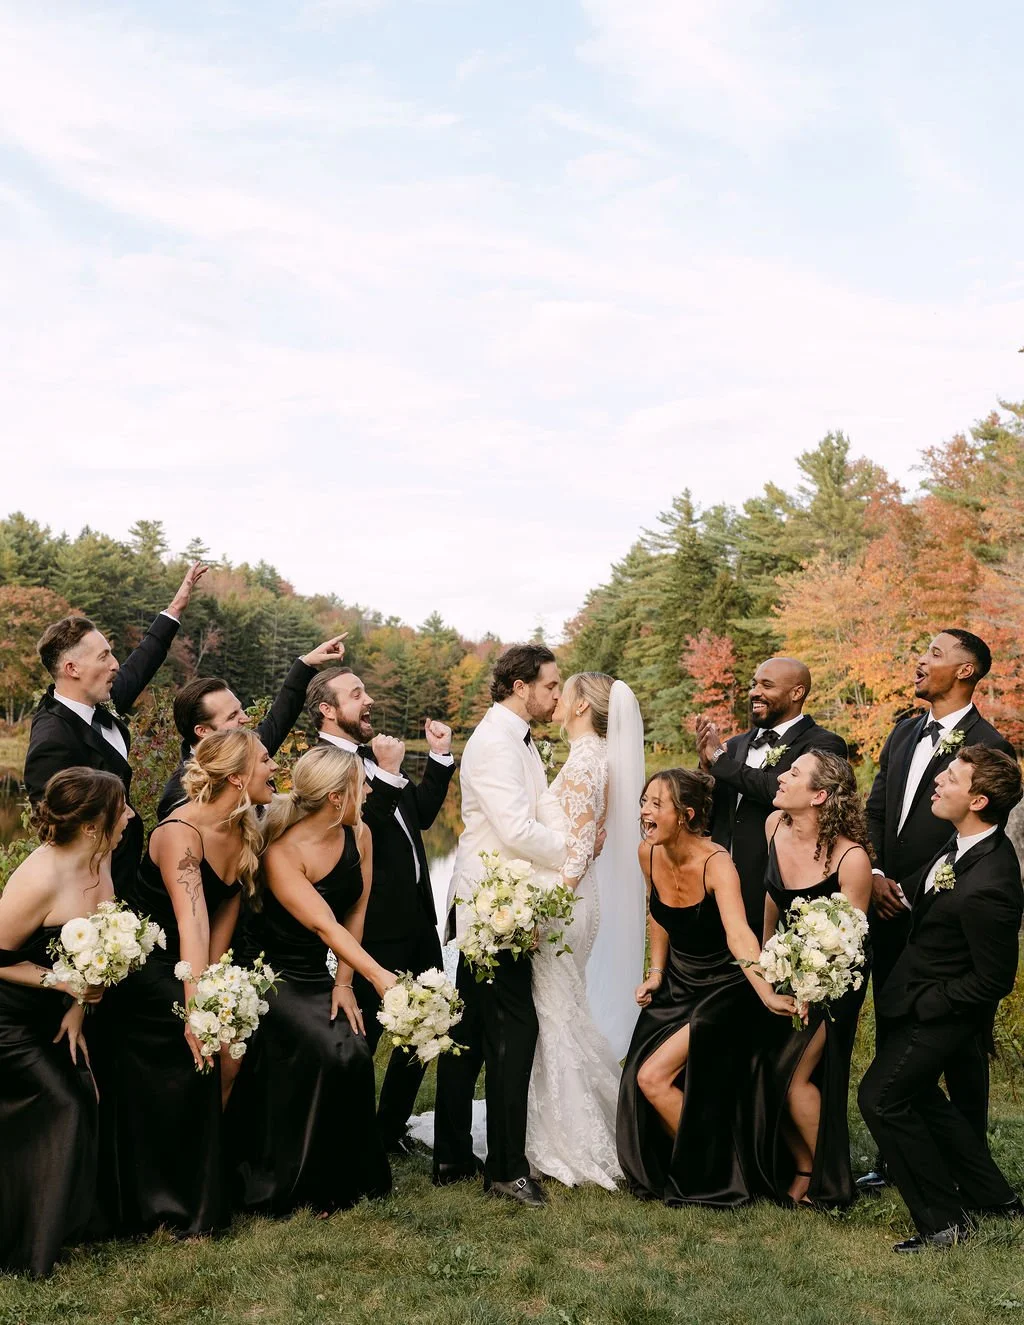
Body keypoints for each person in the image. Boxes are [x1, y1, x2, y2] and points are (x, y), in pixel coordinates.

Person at [95, 728, 275, 1237]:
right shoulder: (180, 832)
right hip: (148, 970)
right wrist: (199, 1012)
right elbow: (190, 922)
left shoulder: (244, 828)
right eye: (266, 760)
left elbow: (220, 923)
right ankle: (167, 1193)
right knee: (209, 1043)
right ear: (237, 777)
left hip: (195, 964)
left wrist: (216, 990)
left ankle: (200, 1176)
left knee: (234, 1044)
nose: (274, 768)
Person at [860, 628, 1014, 1191]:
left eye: (934, 654)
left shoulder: (989, 743)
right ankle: (894, 1156)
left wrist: (925, 889)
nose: (919, 660)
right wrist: (876, 874)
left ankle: (965, 1167)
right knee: (895, 1027)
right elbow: (876, 809)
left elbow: (975, 836)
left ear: (966, 671)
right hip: (887, 908)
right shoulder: (903, 732)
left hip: (949, 916)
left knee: (962, 1047)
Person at [859, 745, 1024, 1252]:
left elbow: (993, 979)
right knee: (923, 1098)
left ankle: (944, 1223)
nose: (938, 781)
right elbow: (924, 901)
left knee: (881, 1099)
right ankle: (993, 1198)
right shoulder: (959, 848)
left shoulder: (990, 882)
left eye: (950, 777)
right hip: (918, 994)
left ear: (976, 800)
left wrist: (928, 1004)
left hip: (939, 1012)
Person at [616, 768, 796, 1206]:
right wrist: (656, 972)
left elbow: (739, 936)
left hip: (725, 989)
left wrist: (767, 992)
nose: (644, 811)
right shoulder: (649, 853)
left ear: (686, 815)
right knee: (636, 1073)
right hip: (677, 982)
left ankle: (719, 1168)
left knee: (652, 1077)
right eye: (644, 801)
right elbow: (658, 914)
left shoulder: (718, 863)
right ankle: (697, 1162)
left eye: (657, 804)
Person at [229, 745, 395, 1214]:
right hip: (269, 973)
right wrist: (377, 975)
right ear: (336, 798)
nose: (368, 790)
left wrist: (345, 984)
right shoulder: (283, 851)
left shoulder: (359, 834)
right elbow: (325, 923)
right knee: (327, 1049)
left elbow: (355, 909)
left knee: (355, 1048)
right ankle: (300, 1181)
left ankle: (347, 1174)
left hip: (316, 970)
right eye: (361, 784)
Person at [433, 644, 567, 1205]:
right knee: (514, 1033)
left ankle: (451, 1154)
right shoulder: (493, 742)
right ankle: (506, 1169)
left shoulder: (516, 736)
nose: (557, 695)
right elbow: (514, 828)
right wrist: (571, 850)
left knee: (469, 1034)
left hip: (493, 898)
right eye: (551, 686)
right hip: (496, 905)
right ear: (519, 685)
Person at [308, 666, 456, 1154]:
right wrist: (389, 774)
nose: (369, 700)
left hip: (417, 918)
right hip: (369, 927)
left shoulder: (376, 757)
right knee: (362, 1038)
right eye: (357, 695)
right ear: (328, 710)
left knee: (428, 1024)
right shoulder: (320, 764)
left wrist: (437, 759)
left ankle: (389, 1130)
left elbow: (421, 815)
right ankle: (343, 1136)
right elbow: (346, 834)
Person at [0, 769, 131, 1276]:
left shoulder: (100, 862)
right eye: (121, 809)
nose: (130, 816)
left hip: (57, 1015)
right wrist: (64, 986)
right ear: (96, 825)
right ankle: (26, 1244)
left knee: (90, 1094)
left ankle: (69, 1222)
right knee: (66, 1105)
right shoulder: (40, 877)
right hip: (9, 1019)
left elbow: (101, 947)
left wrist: (81, 1007)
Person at [525, 672, 646, 1190]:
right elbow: (595, 837)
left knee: (553, 1011)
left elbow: (576, 849)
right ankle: (577, 1122)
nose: (556, 698)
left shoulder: (582, 763)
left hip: (565, 902)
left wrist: (540, 910)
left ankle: (560, 1139)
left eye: (563, 691)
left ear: (579, 707)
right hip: (584, 898)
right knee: (565, 1006)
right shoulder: (602, 760)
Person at [24, 562, 207, 895]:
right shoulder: (53, 739)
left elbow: (142, 663)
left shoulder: (98, 702)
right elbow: (53, 827)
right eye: (105, 656)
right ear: (72, 668)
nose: (115, 664)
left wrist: (175, 608)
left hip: (125, 877)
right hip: (90, 889)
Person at [759, 751, 872, 1207]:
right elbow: (772, 896)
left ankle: (823, 1177)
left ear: (820, 795)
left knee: (794, 1075)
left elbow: (850, 945)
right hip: (782, 967)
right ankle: (794, 1162)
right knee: (767, 1069)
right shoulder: (773, 826)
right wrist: (765, 961)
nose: (782, 777)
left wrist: (810, 987)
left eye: (794, 773)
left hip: (834, 984)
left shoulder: (851, 859)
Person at [696, 657, 847, 931]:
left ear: (797, 693)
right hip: (716, 888)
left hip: (774, 890)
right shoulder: (735, 745)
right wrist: (706, 771)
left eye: (767, 685)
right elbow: (710, 810)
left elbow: (775, 789)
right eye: (754, 684)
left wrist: (720, 762)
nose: (755, 692)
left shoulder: (825, 743)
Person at [156, 632, 348, 822]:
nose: (246, 719)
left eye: (240, 710)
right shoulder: (179, 795)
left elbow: (280, 717)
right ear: (202, 731)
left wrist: (307, 663)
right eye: (233, 716)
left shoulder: (251, 750)